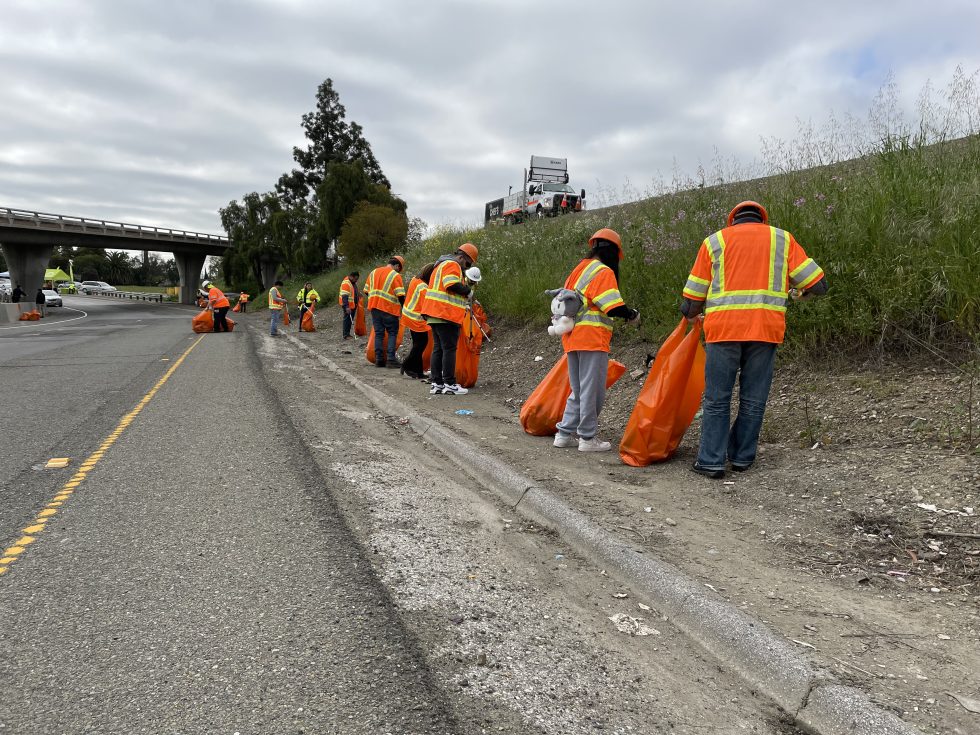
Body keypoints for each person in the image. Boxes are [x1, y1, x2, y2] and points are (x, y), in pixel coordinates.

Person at [680, 200, 828, 479]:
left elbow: (690, 304)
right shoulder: (782, 239)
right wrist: (799, 291)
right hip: (764, 330)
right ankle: (741, 458)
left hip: (723, 330)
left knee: (717, 399)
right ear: (762, 218)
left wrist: (691, 313)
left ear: (732, 219)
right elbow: (819, 285)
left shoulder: (714, 242)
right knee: (753, 399)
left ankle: (711, 460)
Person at [553, 229, 640, 452]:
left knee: (579, 389)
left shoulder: (579, 269)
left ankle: (564, 434)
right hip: (591, 337)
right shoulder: (603, 271)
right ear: (613, 252)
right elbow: (612, 305)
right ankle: (587, 438)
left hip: (571, 337)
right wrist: (632, 315)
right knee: (592, 391)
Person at [419, 243, 478, 395]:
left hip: (434, 313)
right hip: (445, 314)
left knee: (438, 349)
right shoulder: (452, 264)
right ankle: (450, 384)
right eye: (467, 263)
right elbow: (451, 284)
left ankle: (437, 383)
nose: (467, 267)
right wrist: (468, 291)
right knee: (449, 349)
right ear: (461, 257)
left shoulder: (440, 265)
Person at [364, 256, 407, 368]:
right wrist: (405, 309)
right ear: (397, 266)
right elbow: (401, 295)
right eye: (399, 269)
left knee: (379, 333)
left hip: (374, 308)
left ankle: (379, 359)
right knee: (392, 333)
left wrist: (376, 299)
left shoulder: (373, 272)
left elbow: (366, 291)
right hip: (389, 309)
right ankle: (391, 359)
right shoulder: (395, 275)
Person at [400, 263, 436, 379]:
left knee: (418, 344)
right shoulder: (423, 288)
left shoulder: (415, 279)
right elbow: (427, 306)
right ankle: (406, 365)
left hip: (408, 315)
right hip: (416, 318)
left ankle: (418, 371)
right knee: (421, 344)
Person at [338, 271, 360, 340]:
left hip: (352, 305)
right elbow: (344, 296)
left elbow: (352, 291)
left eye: (357, 279)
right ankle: (346, 335)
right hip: (348, 306)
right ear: (351, 276)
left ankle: (348, 334)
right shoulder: (346, 283)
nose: (356, 280)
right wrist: (346, 307)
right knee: (347, 319)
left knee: (350, 320)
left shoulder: (352, 282)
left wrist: (358, 293)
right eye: (355, 278)